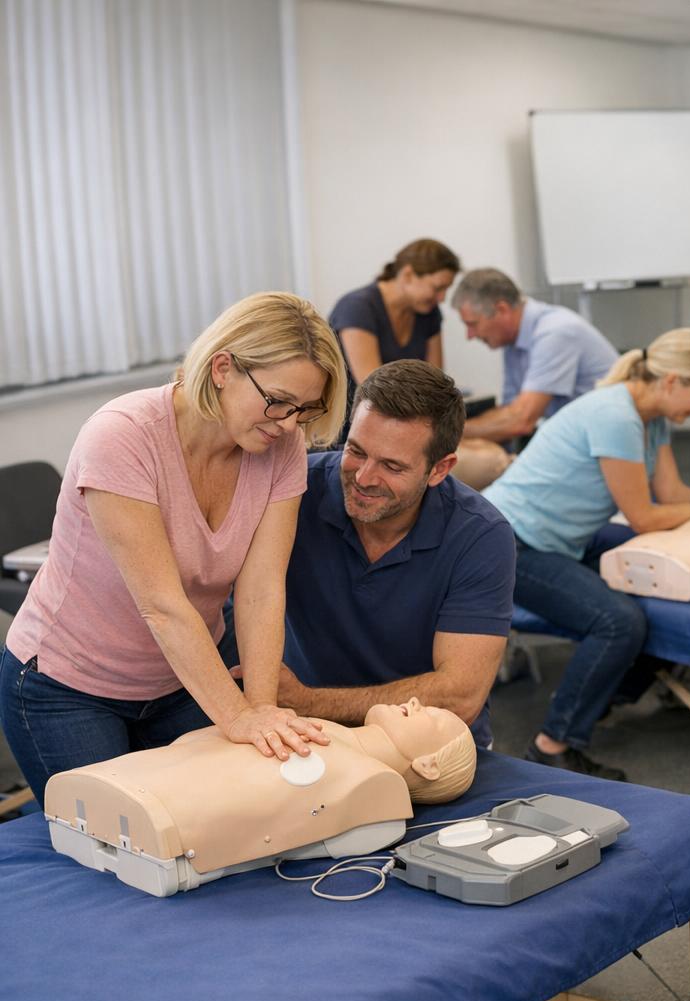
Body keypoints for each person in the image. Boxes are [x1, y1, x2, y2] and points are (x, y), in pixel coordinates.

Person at [0, 293, 348, 799]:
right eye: (277, 400)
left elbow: (261, 589)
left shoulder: (280, 445)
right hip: (69, 687)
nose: (289, 423)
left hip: (183, 677)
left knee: (224, 820)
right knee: (120, 847)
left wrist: (261, 710)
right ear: (223, 368)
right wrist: (237, 718)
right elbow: (161, 606)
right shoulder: (122, 436)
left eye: (305, 409)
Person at [482, 329, 690, 780]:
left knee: (663, 574)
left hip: (559, 538)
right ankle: (552, 745)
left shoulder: (650, 418)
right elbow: (644, 516)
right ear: (672, 381)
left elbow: (673, 494)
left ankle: (605, 694)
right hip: (507, 542)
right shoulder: (616, 416)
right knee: (617, 621)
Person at [221, 360, 515, 750]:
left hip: (425, 745)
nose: (363, 478)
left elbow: (460, 696)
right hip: (304, 734)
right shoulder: (292, 492)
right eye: (356, 451)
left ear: (439, 470)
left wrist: (308, 700)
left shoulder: (481, 535)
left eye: (392, 466)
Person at [46, 699, 477, 894]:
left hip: (171, 821)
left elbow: (289, 825)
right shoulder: (329, 732)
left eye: (434, 718)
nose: (418, 702)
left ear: (428, 766)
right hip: (136, 783)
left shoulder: (378, 786)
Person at [452, 268, 618, 447]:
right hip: (583, 439)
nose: (469, 335)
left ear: (501, 310)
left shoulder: (555, 332)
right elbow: (509, 411)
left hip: (608, 442)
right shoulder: (512, 341)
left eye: (472, 324)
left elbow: (521, 420)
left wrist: (448, 433)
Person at [328, 238, 459, 402]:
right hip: (353, 423)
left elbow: (436, 383)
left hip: (406, 416)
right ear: (408, 275)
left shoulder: (429, 312)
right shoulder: (357, 308)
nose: (442, 298)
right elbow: (373, 390)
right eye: (437, 288)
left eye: (446, 289)